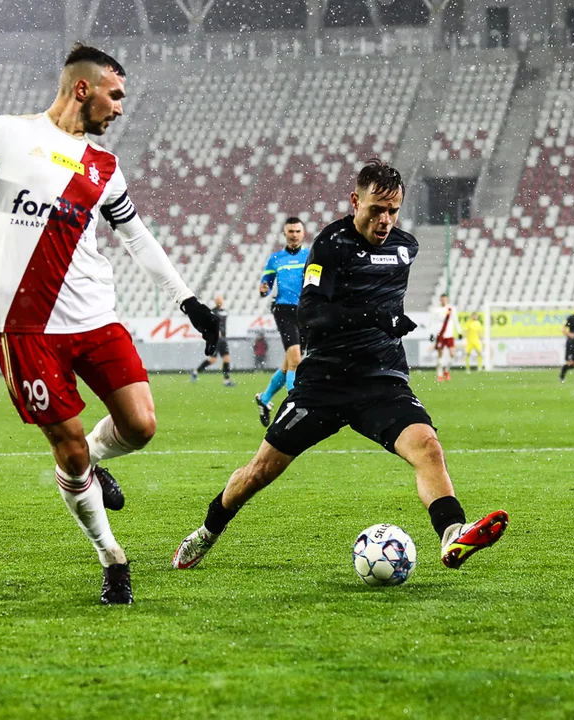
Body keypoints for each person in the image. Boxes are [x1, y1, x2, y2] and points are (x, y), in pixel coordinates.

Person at [0, 43, 219, 605]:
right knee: (69, 449)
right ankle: (112, 557)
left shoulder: (104, 166)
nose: (121, 108)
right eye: (115, 94)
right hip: (26, 330)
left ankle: (96, 467)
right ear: (84, 88)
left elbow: (137, 238)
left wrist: (188, 301)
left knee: (142, 426)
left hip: (96, 318)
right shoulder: (8, 134)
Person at [172, 160, 508, 573]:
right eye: (376, 210)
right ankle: (206, 532)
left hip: (381, 380)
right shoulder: (331, 244)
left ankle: (453, 533)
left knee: (428, 448)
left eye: (393, 210)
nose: (385, 220)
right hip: (324, 383)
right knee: (260, 472)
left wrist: (383, 325)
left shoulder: (406, 248)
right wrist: (375, 316)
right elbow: (310, 314)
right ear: (355, 202)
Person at [254, 217, 310, 427]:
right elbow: (266, 282)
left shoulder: (310, 256)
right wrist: (263, 288)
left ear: (303, 233)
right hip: (284, 310)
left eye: (297, 231)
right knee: (296, 360)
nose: (294, 234)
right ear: (284, 233)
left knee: (289, 364)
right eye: (291, 231)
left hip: (305, 312)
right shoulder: (276, 258)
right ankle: (293, 406)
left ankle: (265, 398)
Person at [191, 294, 235, 386]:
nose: (220, 301)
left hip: (223, 339)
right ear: (216, 301)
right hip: (216, 339)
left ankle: (226, 380)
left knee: (226, 358)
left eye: (221, 299)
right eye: (218, 300)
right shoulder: (212, 312)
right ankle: (196, 371)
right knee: (213, 360)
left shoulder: (224, 311)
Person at [430, 294, 462, 382]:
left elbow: (455, 320)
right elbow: (433, 322)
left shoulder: (451, 308)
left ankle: (446, 370)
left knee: (452, 354)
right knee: (440, 355)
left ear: (447, 300)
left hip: (449, 335)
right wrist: (432, 333)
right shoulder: (436, 310)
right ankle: (439, 375)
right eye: (442, 299)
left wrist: (459, 332)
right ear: (440, 300)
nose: (443, 301)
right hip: (440, 335)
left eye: (445, 299)